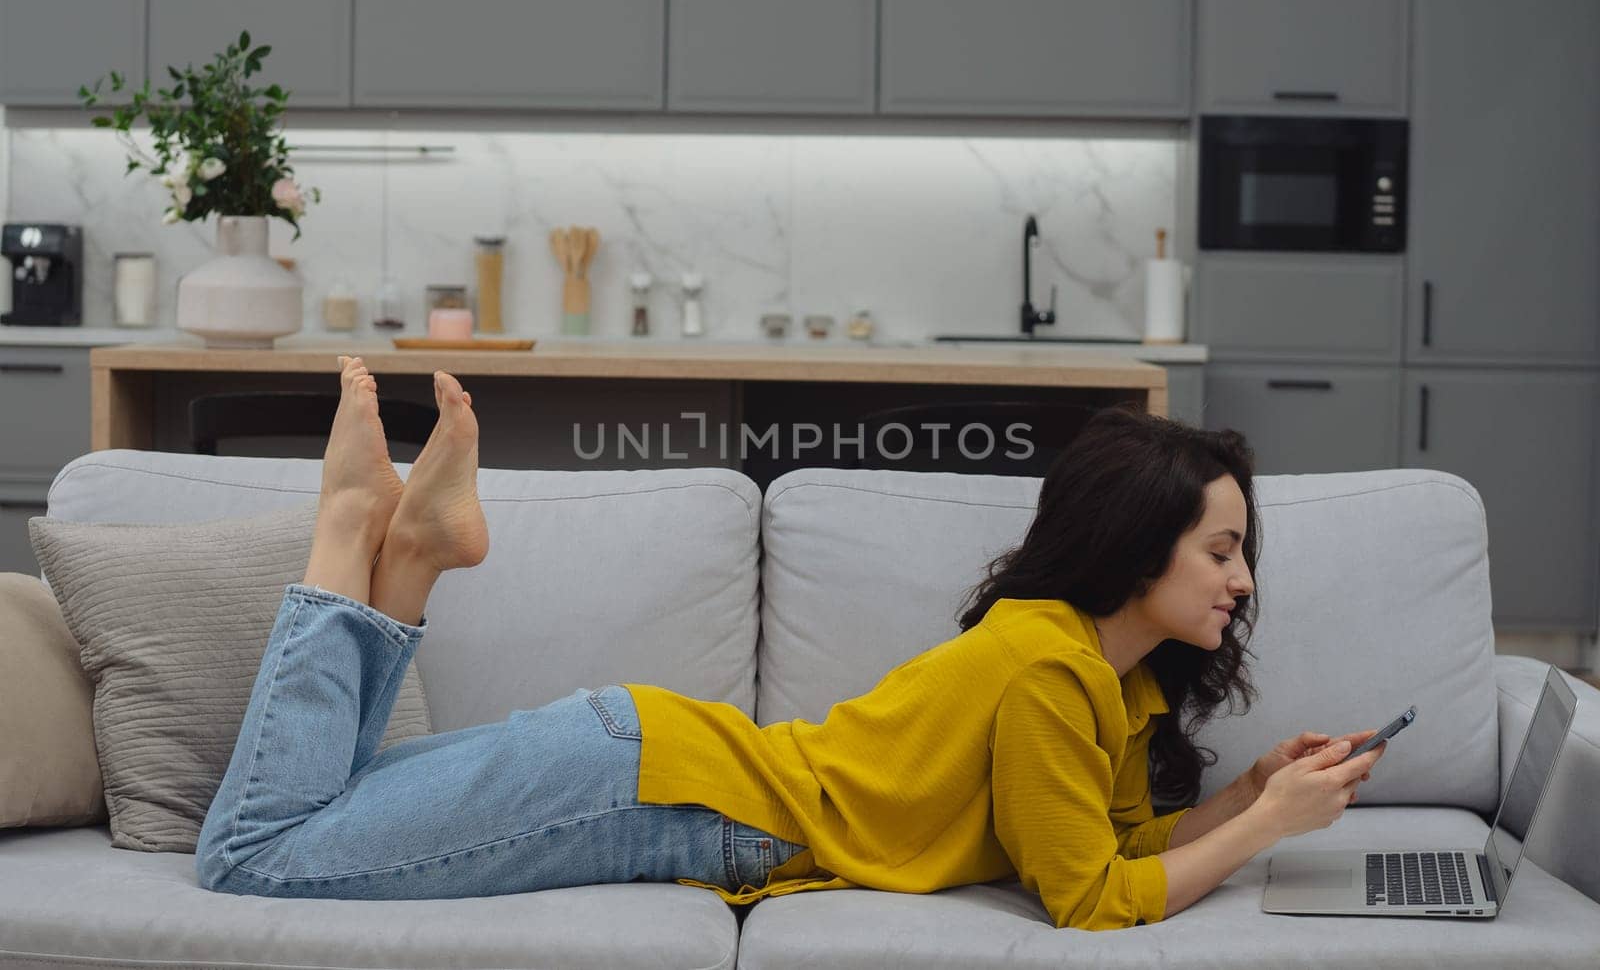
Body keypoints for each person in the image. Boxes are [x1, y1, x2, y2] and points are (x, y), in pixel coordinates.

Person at [196, 356, 1388, 930]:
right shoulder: (1048, 669)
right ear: (1139, 548)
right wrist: (1269, 833)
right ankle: (352, 529)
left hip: (647, 769)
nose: (1242, 578)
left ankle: (408, 558)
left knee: (321, 812)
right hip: (652, 791)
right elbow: (1089, 900)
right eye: (1220, 549)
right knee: (256, 855)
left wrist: (1246, 794)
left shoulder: (1096, 679)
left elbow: (1113, 846)